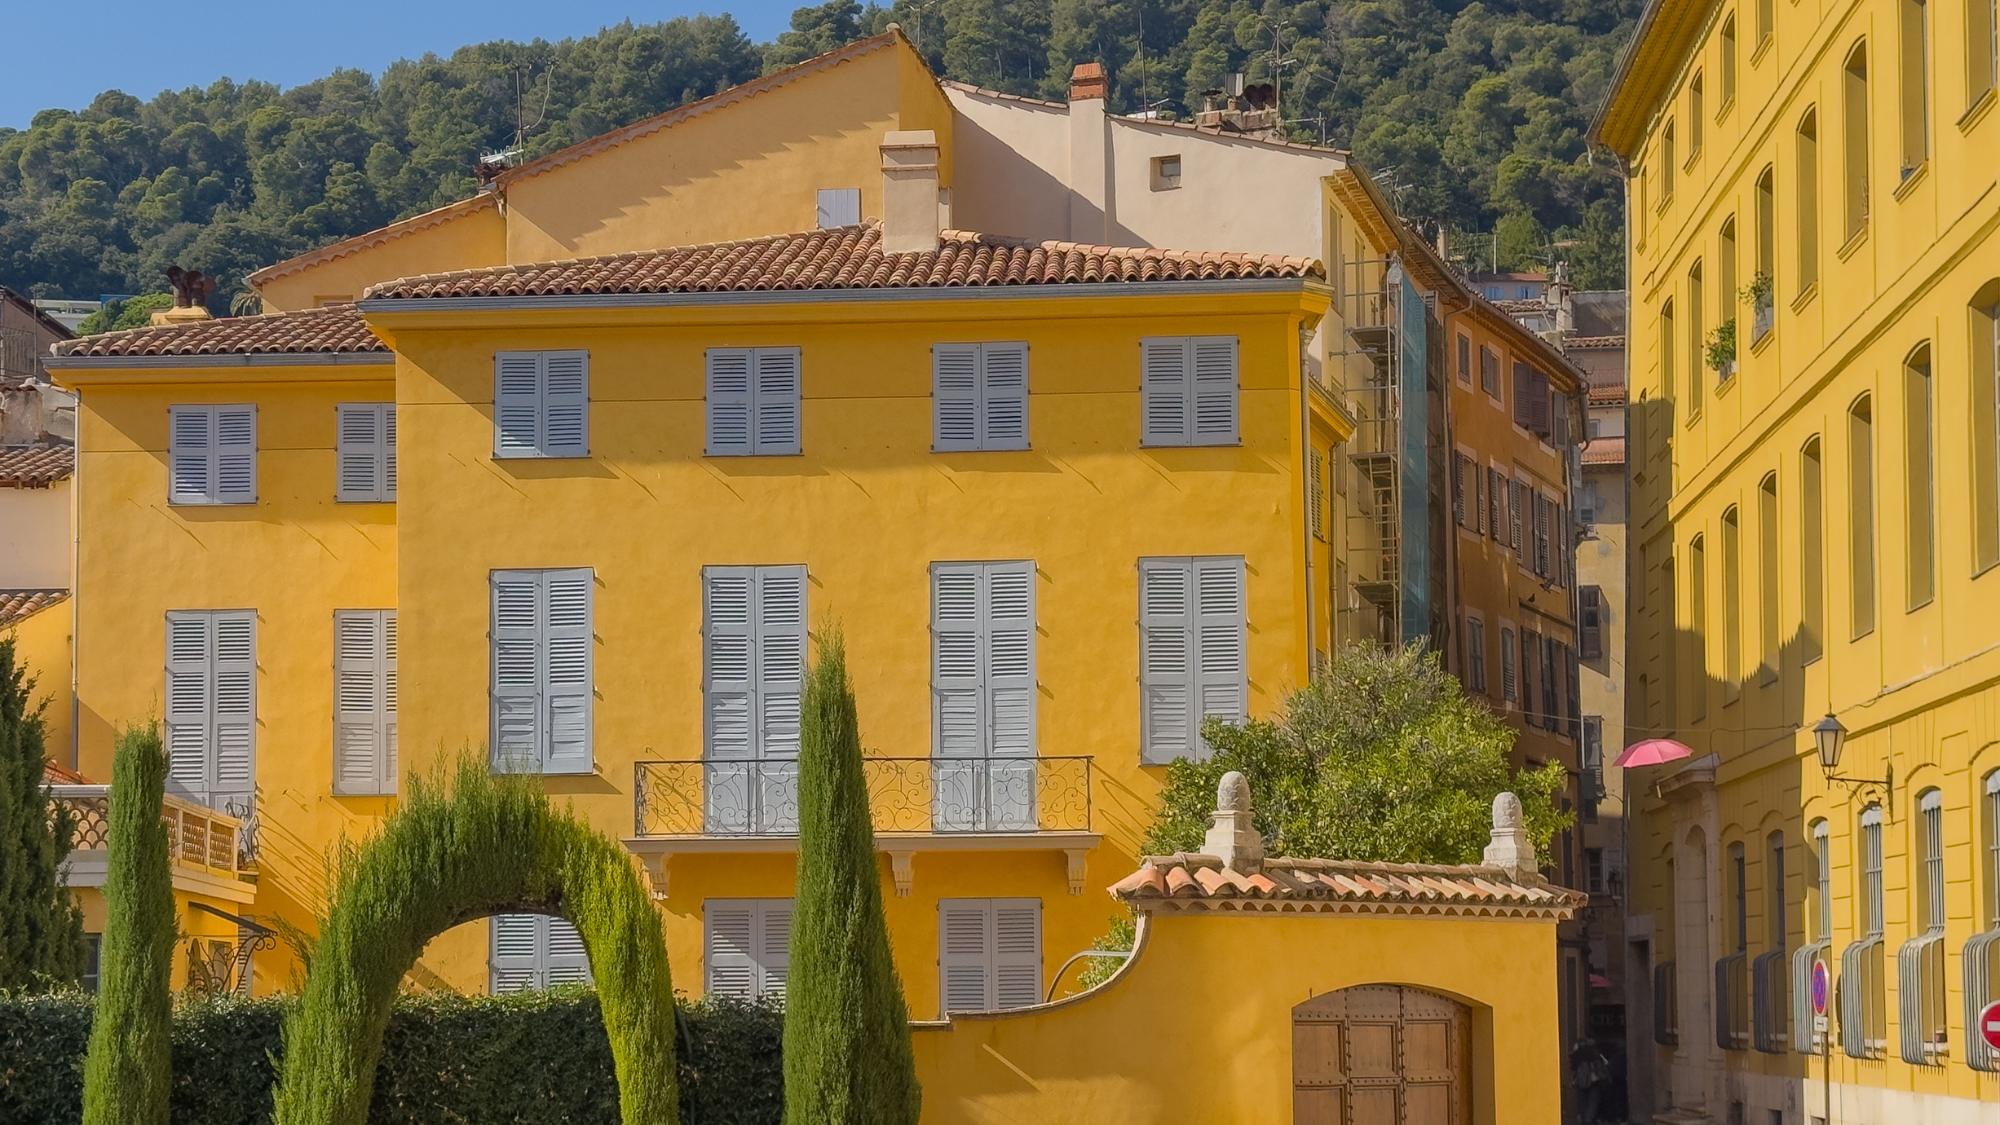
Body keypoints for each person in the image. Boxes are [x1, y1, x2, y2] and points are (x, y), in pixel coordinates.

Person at [1570, 1038, 1610, 1124]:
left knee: (1582, 1101)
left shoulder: (1576, 1054)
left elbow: (1572, 1067)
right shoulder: (1594, 1052)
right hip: (1594, 1080)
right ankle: (1589, 1119)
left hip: (1580, 1081)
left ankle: (1585, 1120)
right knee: (1593, 1101)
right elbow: (1605, 1062)